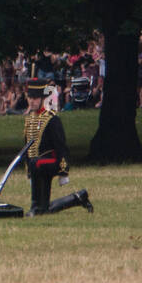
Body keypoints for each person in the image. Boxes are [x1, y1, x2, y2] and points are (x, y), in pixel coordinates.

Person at [23, 78, 92, 217]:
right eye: (30, 98)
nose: (32, 101)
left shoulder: (52, 119)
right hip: (37, 165)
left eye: (35, 98)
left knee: (36, 163)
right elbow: (27, 147)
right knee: (45, 210)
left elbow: (61, 146)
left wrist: (63, 170)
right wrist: (28, 170)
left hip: (52, 162)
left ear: (42, 98)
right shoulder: (29, 119)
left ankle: (35, 206)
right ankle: (77, 197)